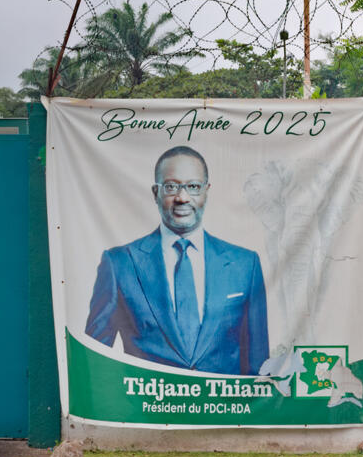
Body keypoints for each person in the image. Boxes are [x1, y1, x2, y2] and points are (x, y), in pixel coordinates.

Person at [85, 145, 269, 375]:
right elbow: (93, 361)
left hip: (223, 409)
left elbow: (259, 367)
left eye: (193, 186)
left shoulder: (245, 265)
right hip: (146, 409)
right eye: (171, 186)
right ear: (155, 193)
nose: (182, 198)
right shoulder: (119, 263)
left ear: (206, 191)